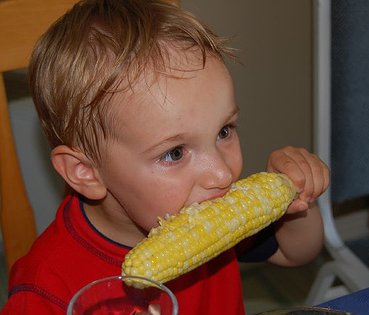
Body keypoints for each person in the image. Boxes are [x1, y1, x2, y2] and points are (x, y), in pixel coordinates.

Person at [1, 0, 329, 314]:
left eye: (224, 131)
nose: (222, 175)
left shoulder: (208, 201)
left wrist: (299, 198)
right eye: (175, 153)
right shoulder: (47, 289)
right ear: (86, 171)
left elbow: (295, 252)